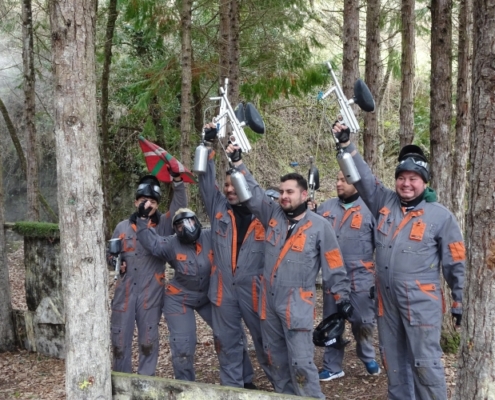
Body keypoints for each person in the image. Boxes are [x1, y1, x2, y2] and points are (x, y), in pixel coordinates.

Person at [332, 122, 465, 400]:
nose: (406, 183)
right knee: (393, 361)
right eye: (401, 177)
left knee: (425, 363)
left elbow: (456, 262)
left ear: (424, 182)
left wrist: (459, 301)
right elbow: (363, 178)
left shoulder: (441, 216)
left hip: (421, 303)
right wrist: (346, 144)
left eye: (413, 178)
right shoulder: (384, 202)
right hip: (387, 301)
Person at [226, 143, 352, 398]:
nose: (284, 196)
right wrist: (238, 163)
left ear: (304, 195)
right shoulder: (271, 215)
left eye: (290, 192)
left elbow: (334, 264)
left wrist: (342, 298)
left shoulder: (320, 226)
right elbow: (253, 192)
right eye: (282, 191)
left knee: (302, 364)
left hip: (297, 306)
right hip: (268, 305)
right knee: (276, 362)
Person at [133, 207, 257, 385]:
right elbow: (152, 243)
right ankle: (186, 387)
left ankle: (245, 380)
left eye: (190, 221)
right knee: (183, 344)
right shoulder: (171, 243)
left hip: (210, 294)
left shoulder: (211, 236)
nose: (186, 227)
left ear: (197, 221)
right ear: (175, 229)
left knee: (231, 335)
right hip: (180, 298)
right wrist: (142, 218)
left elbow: (233, 230)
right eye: (180, 225)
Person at [197, 132, 274, 388]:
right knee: (227, 342)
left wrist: (239, 163)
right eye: (226, 185)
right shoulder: (219, 208)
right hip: (223, 290)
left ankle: (282, 388)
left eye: (234, 185)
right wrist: (207, 145)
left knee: (266, 342)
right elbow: (205, 180)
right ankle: (236, 387)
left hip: (254, 290)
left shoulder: (263, 214)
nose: (229, 190)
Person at [108, 173, 186, 375]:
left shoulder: (163, 226)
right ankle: (122, 382)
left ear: (157, 205)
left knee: (148, 340)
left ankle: (146, 382)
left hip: (151, 292)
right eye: (144, 200)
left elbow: (179, 207)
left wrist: (178, 183)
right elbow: (110, 256)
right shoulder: (122, 227)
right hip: (125, 292)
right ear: (136, 202)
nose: (148, 205)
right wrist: (116, 263)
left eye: (153, 201)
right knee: (119, 340)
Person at [309, 171, 380, 381]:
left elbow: (383, 246)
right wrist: (309, 211)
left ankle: (366, 354)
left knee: (362, 320)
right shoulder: (326, 208)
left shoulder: (370, 210)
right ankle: (332, 366)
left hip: (361, 277)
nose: (338, 183)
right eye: (337, 179)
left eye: (344, 180)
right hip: (332, 276)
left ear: (356, 182)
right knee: (332, 321)